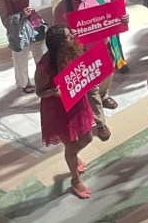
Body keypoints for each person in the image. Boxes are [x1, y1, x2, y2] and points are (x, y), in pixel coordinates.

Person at [51, 0, 126, 141]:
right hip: (84, 54)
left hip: (105, 46)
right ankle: (101, 124)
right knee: (92, 88)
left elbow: (111, 12)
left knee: (108, 73)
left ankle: (104, 95)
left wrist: (122, 19)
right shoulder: (62, 10)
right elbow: (59, 38)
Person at [35, 25, 94, 199]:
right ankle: (75, 180)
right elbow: (39, 92)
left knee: (88, 137)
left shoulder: (74, 50)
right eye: (68, 36)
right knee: (70, 144)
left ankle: (73, 156)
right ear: (59, 44)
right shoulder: (44, 66)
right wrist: (53, 91)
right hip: (59, 108)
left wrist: (91, 80)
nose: (73, 37)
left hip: (78, 101)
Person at [0, 0, 46, 93]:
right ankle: (23, 83)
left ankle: (45, 79)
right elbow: (4, 20)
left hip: (36, 29)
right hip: (18, 34)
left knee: (42, 58)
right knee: (20, 61)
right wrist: (20, 16)